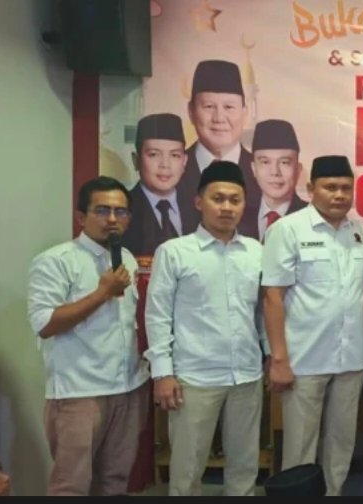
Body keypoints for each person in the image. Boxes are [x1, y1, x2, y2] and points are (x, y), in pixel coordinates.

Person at [144, 161, 264, 496]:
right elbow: (157, 315)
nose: (227, 207)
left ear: (244, 204)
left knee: (244, 467)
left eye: (235, 200)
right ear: (199, 202)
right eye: (218, 198)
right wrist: (162, 373)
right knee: (187, 469)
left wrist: (270, 356)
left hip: (246, 375)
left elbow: (261, 313)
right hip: (194, 378)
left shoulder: (256, 252)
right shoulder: (174, 252)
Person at [27, 176, 149, 496]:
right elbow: (45, 323)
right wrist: (102, 293)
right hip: (79, 393)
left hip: (127, 388)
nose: (113, 219)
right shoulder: (56, 261)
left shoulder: (127, 259)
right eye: (102, 210)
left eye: (121, 212)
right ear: (81, 217)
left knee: (115, 483)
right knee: (71, 486)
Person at [262, 155, 363, 496]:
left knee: (342, 443)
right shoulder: (288, 229)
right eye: (330, 187)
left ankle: (333, 493)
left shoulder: (359, 232)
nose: (339, 195)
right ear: (311, 189)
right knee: (300, 447)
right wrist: (278, 358)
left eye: (346, 188)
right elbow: (272, 296)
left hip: (350, 360)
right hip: (304, 360)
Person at [176, 60, 260, 222]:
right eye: (209, 106)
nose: (219, 118)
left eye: (229, 107)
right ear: (191, 112)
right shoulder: (170, 174)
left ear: (245, 113)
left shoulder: (263, 176)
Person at [124, 113, 199, 256]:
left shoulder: (198, 208)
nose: (165, 165)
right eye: (154, 154)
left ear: (184, 161)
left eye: (174, 155)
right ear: (136, 160)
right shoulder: (123, 210)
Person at [238, 119, 307, 241]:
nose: (275, 172)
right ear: (253, 169)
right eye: (265, 162)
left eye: (284, 162)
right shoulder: (238, 218)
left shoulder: (311, 218)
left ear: (298, 170)